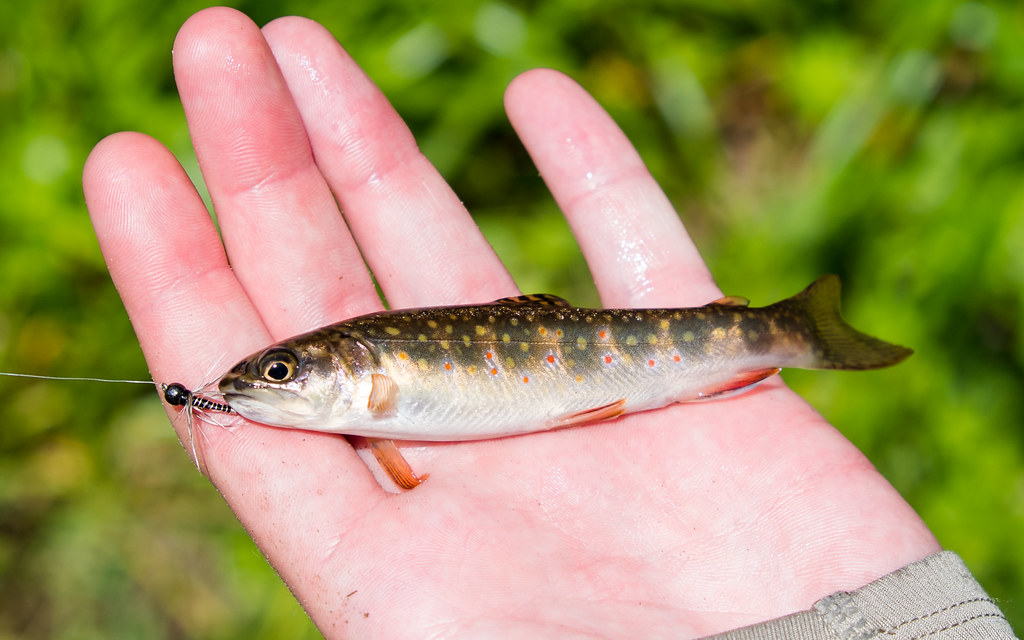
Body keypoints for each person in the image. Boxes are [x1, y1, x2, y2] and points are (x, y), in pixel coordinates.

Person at [82, 8, 1016, 639]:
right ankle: (790, 330)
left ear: (350, 368)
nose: (260, 388)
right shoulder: (371, 409)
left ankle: (790, 330)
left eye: (281, 374)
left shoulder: (379, 390)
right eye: (273, 378)